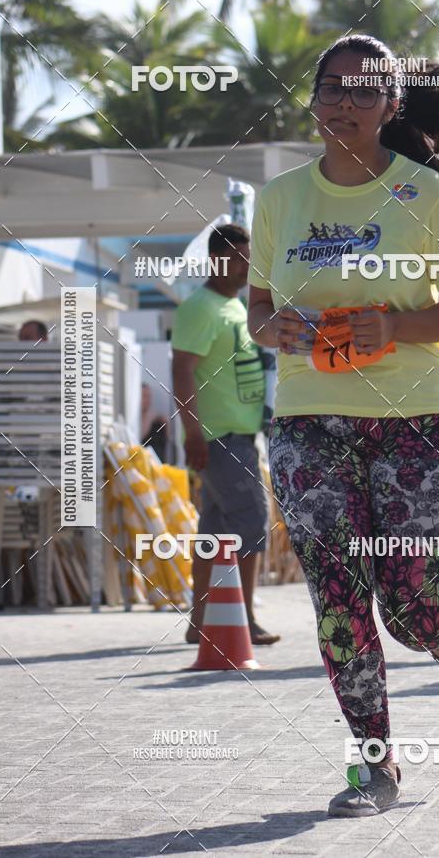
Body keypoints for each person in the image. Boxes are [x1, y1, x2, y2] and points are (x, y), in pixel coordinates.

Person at [247, 33, 439, 817]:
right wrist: (277, 327)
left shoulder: (423, 195)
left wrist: (390, 331)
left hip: (415, 417)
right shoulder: (279, 199)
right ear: (314, 100)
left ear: (393, 105)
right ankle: (376, 766)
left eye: (364, 91)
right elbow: (257, 311)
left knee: (411, 607)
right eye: (332, 89)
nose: (345, 103)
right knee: (338, 596)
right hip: (306, 421)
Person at [172, 223, 280, 646]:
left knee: (215, 529)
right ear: (216, 260)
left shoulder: (239, 307)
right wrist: (192, 433)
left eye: (249, 257)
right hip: (219, 437)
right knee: (253, 520)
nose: (247, 265)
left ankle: (201, 622)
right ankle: (244, 620)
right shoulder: (200, 307)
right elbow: (181, 370)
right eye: (238, 258)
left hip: (239, 435)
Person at [140, 382, 169, 462]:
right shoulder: (134, 419)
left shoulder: (157, 420)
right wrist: (148, 418)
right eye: (144, 396)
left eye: (149, 396)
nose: (148, 400)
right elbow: (140, 437)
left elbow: (168, 439)